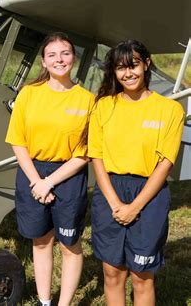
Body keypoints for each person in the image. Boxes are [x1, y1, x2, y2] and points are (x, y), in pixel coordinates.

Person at [87, 40, 184, 305]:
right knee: (112, 272)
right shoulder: (102, 107)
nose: (128, 73)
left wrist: (135, 206)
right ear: (114, 72)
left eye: (134, 65)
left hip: (149, 193)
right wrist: (115, 202)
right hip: (110, 191)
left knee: (142, 276)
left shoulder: (170, 110)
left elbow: (165, 164)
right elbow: (96, 156)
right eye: (120, 68)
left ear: (147, 64)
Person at [5, 32, 94, 306]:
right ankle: (44, 302)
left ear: (74, 58)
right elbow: (17, 142)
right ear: (43, 61)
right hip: (33, 172)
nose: (59, 59)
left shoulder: (87, 100)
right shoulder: (28, 94)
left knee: (70, 244)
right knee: (41, 242)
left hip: (69, 174)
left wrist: (50, 182)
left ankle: (63, 304)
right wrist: (37, 182)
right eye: (52, 55)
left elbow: (85, 153)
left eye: (65, 53)